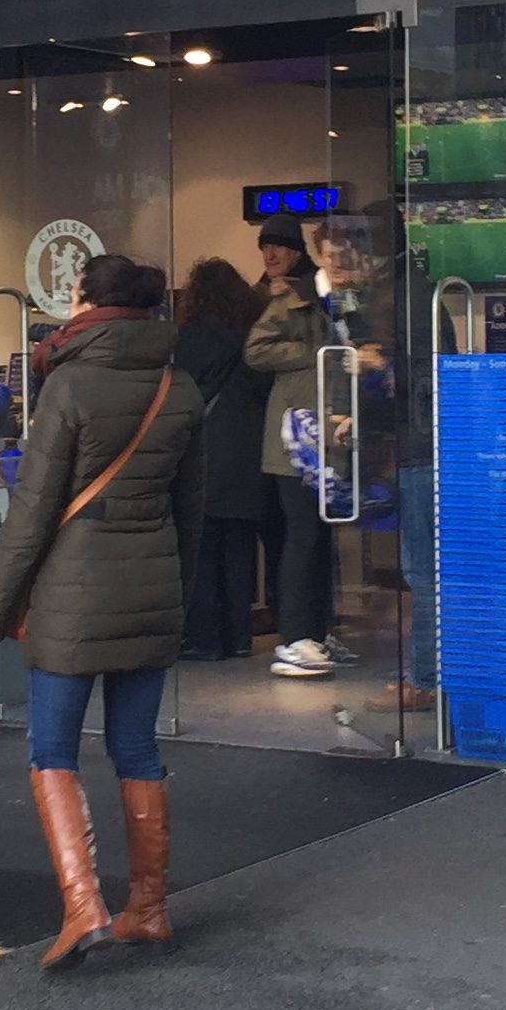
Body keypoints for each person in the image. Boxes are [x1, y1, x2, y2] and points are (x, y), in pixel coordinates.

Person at [0, 253, 206, 971]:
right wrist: (174, 595)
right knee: (134, 748)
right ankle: (149, 906)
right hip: (150, 586)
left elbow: (33, 512)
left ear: (84, 302)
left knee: (52, 749)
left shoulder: (67, 385)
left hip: (71, 594)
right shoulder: (179, 384)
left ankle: (82, 906)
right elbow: (188, 511)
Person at [245, 225, 353, 679]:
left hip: (332, 435)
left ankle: (316, 630)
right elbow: (255, 351)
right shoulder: (288, 300)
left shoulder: (340, 300)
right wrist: (314, 353)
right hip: (295, 437)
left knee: (322, 536)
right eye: (331, 253)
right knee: (303, 534)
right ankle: (294, 637)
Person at [173, 257, 270, 660]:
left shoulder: (191, 336)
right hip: (250, 452)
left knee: (202, 548)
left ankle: (207, 638)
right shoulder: (254, 334)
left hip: (207, 451)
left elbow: (183, 393)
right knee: (239, 547)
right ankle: (240, 636)